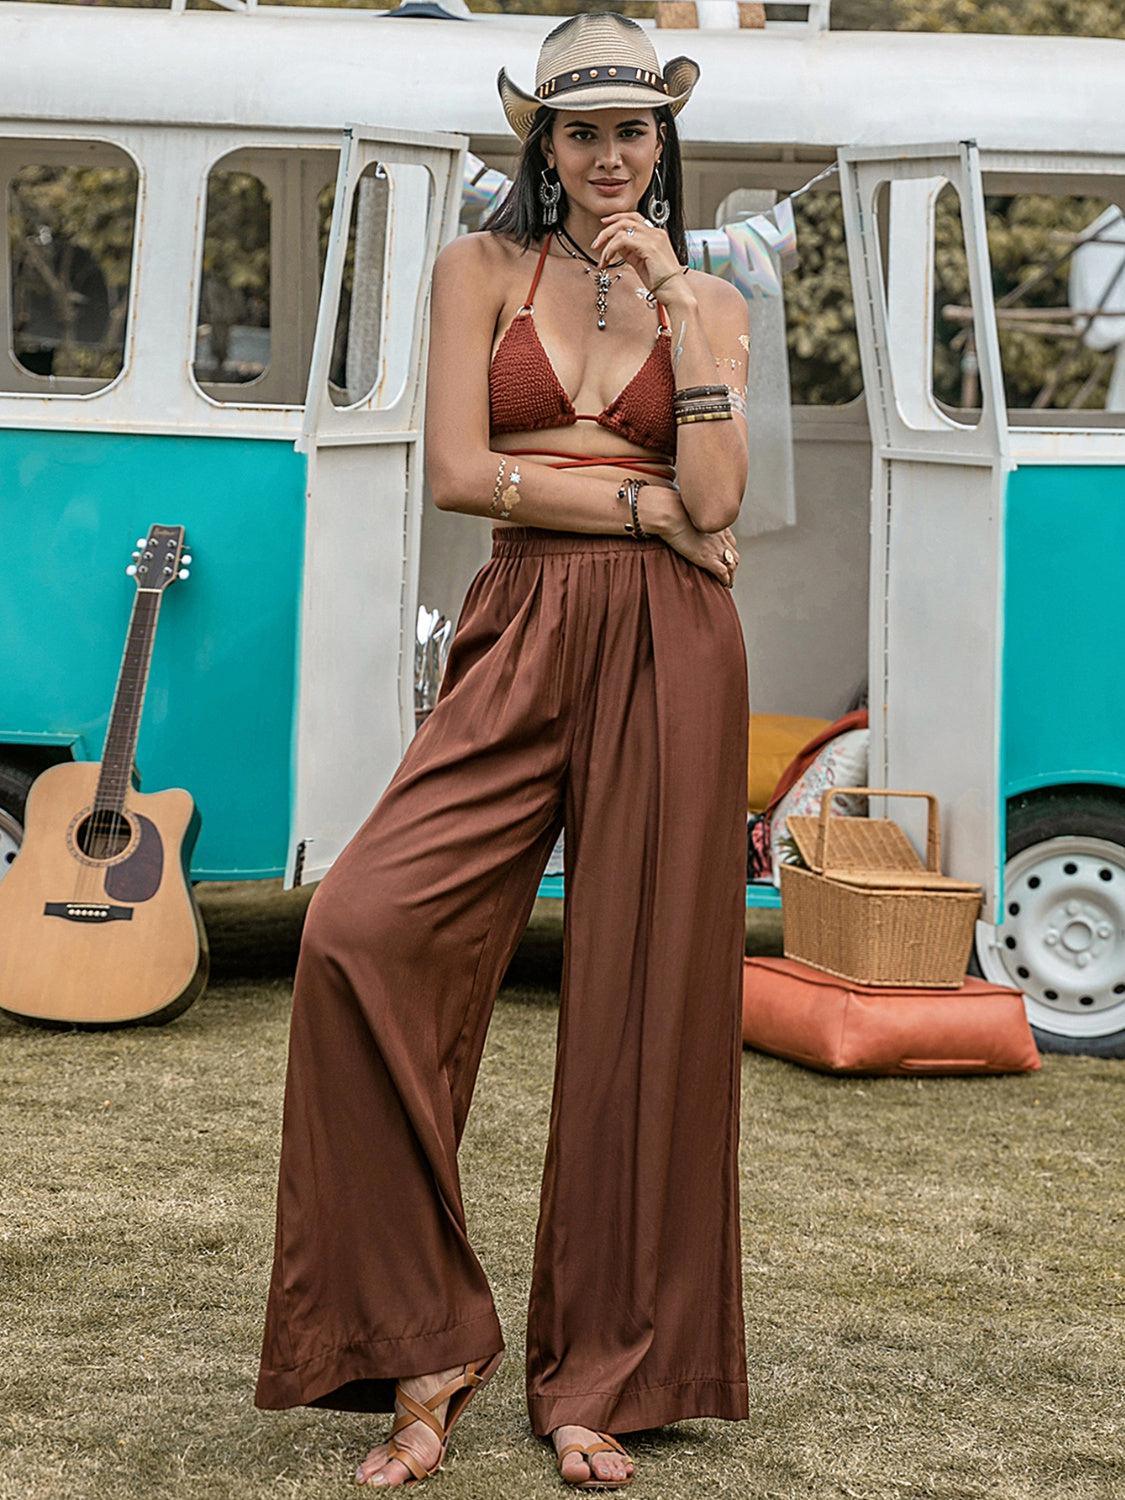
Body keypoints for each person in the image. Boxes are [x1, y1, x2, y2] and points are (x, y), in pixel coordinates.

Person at [254, 10, 751, 1491]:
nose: (610, 156)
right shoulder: (475, 270)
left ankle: (611, 1369)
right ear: (541, 141)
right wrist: (643, 507)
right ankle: (427, 1331)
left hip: (676, 649)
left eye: (634, 132)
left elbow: (719, 495)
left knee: (645, 1004)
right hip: (526, 620)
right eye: (582, 130)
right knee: (360, 929)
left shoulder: (710, 305)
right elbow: (466, 476)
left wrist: (669, 299)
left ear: (664, 146)